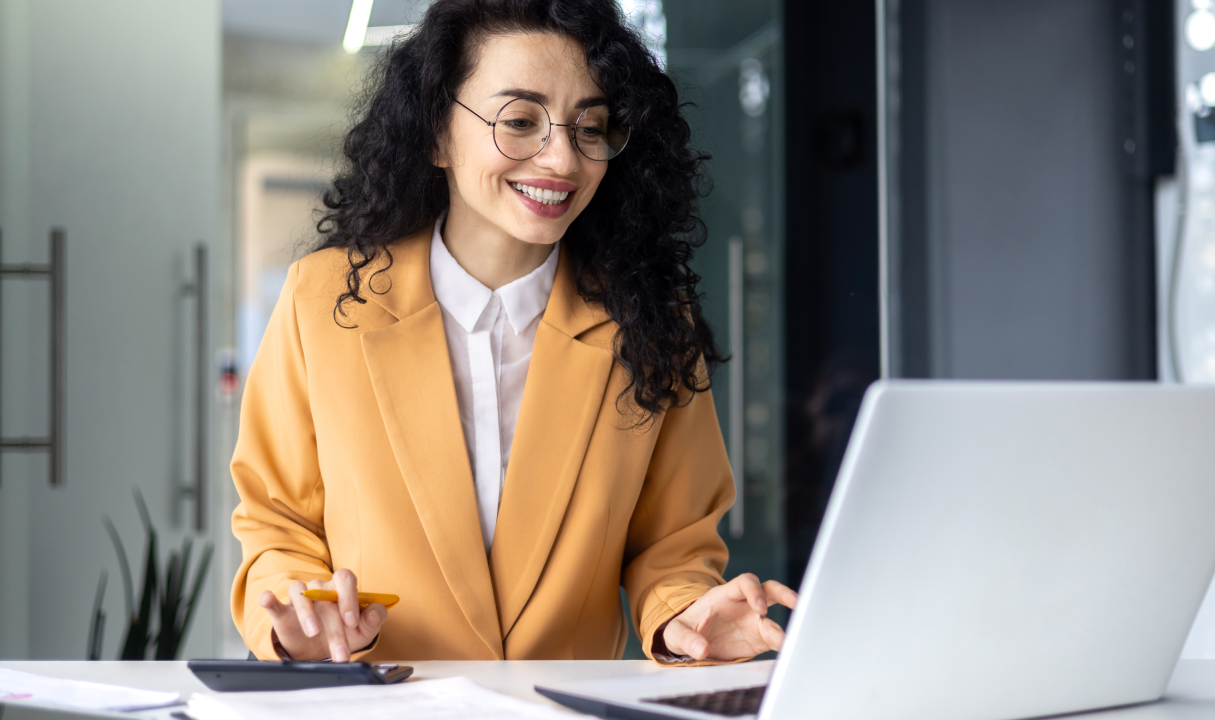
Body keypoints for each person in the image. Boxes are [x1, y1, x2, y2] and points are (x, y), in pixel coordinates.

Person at [229, 0, 796, 665]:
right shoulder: (322, 301)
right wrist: (300, 612)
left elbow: (674, 546)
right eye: (520, 121)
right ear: (437, 133)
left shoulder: (650, 325)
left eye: (591, 126)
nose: (562, 158)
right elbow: (278, 521)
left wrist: (683, 620)